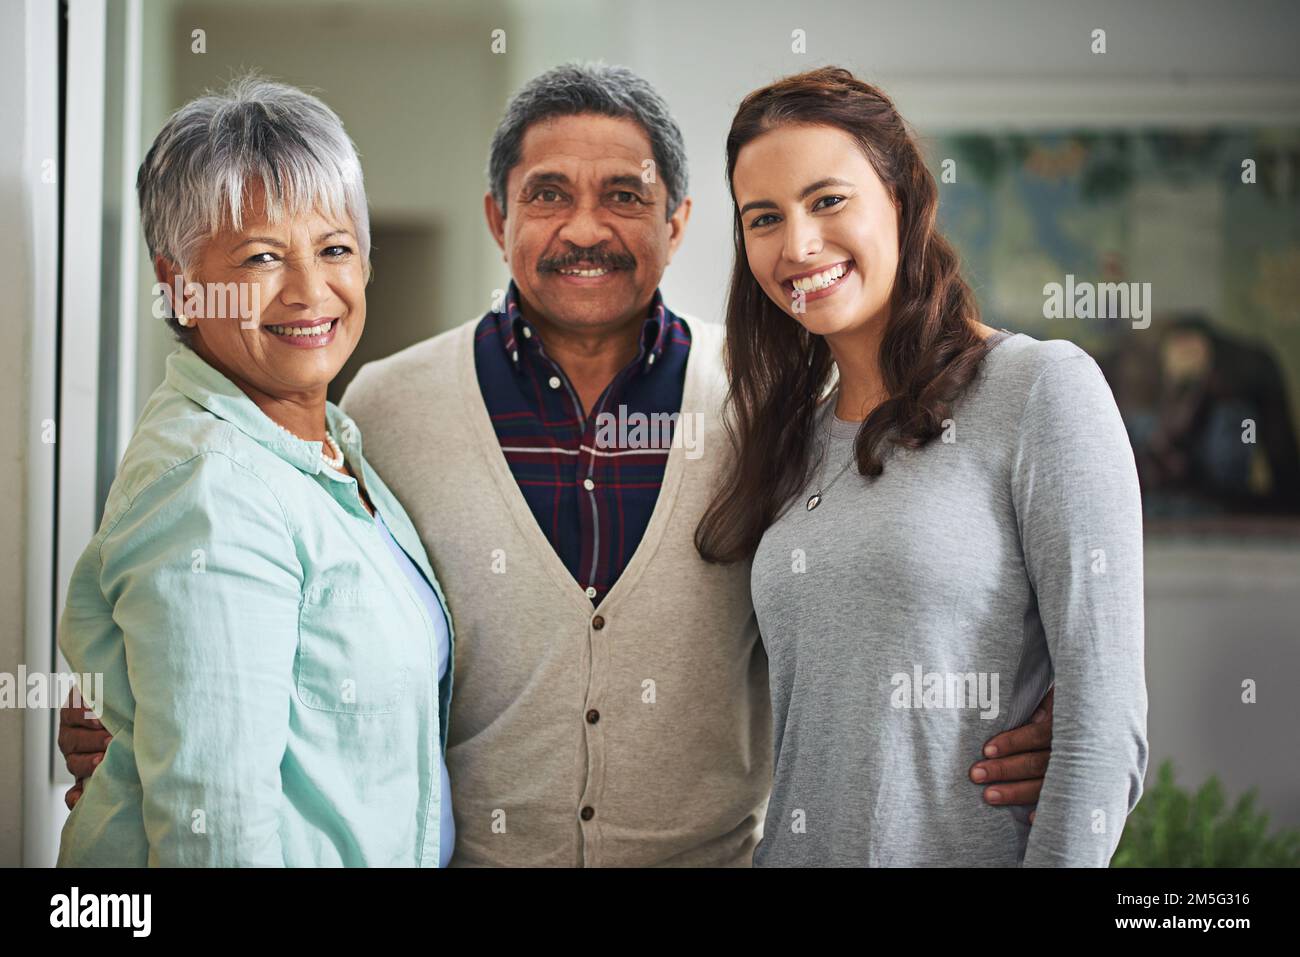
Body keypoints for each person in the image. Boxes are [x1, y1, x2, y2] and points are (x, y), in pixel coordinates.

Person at [63, 63, 1053, 867]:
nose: (583, 228)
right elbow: (243, 674)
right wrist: (152, 717)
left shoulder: (779, 401)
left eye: (624, 196)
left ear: (676, 224)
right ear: (498, 219)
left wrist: (1011, 705)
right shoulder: (384, 408)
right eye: (547, 196)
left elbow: (870, 590)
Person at [696, 67, 1148, 866]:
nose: (798, 245)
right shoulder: (788, 438)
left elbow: (1103, 727)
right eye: (764, 218)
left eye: (827, 200)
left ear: (901, 196)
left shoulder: (1041, 389)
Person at [56, 77, 454, 867]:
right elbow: (218, 836)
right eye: (262, 256)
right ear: (178, 284)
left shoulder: (330, 446)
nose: (311, 291)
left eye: (335, 247)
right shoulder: (210, 487)